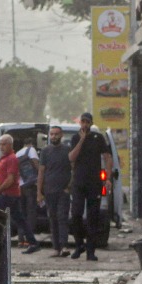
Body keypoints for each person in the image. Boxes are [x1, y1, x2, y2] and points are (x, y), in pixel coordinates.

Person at [67, 112, 110, 261]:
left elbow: (107, 157)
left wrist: (108, 178)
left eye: (87, 122)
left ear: (91, 123)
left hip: (94, 183)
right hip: (79, 182)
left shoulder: (98, 138)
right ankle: (79, 245)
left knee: (93, 217)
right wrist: (81, 140)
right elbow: (71, 157)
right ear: (80, 123)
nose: (84, 124)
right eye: (82, 122)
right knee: (76, 214)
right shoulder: (75, 138)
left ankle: (91, 250)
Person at [0, 134, 41, 254]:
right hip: (8, 194)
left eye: (4, 144)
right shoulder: (4, 158)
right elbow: (0, 177)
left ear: (10, 145)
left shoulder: (12, 158)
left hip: (8, 194)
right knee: (20, 219)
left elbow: (11, 179)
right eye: (0, 144)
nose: (1, 147)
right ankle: (33, 242)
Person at [39, 125, 73, 256]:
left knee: (62, 218)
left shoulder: (67, 150)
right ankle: (56, 248)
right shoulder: (45, 151)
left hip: (63, 192)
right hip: (49, 191)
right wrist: (39, 192)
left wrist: (69, 186)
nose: (54, 136)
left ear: (61, 135)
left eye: (56, 134)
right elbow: (41, 172)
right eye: (52, 134)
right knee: (52, 219)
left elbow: (73, 168)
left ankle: (64, 246)